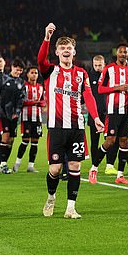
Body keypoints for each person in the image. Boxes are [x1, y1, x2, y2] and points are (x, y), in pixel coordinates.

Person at [38, 23, 104, 219]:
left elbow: (89, 97)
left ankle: (70, 208)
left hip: (77, 127)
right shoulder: (50, 71)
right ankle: (51, 197)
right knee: (55, 169)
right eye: (63, 48)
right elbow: (41, 59)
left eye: (69, 48)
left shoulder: (81, 74)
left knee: (75, 167)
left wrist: (96, 118)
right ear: (57, 52)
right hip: (57, 128)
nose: (66, 50)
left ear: (74, 52)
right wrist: (47, 37)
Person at [88, 43, 128, 185]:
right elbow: (100, 89)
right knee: (110, 141)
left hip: (127, 111)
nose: (123, 54)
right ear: (116, 54)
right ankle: (94, 169)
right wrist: (117, 88)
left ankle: (120, 175)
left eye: (125, 52)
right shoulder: (108, 69)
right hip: (112, 111)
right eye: (121, 52)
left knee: (124, 141)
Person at [13, 65, 45, 173]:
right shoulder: (23, 86)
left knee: (35, 142)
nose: (34, 75)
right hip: (26, 117)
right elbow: (20, 101)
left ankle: (31, 166)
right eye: (32, 72)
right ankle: (17, 164)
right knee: (25, 141)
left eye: (36, 73)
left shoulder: (41, 87)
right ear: (27, 74)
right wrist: (33, 102)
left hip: (37, 118)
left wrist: (41, 103)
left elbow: (43, 101)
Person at [0, 59, 25, 174]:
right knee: (5, 137)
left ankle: (4, 163)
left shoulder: (21, 82)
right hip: (3, 114)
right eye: (17, 70)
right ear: (12, 67)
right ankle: (2, 163)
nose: (18, 72)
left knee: (12, 140)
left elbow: (21, 99)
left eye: (20, 71)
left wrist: (17, 112)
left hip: (14, 115)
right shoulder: (4, 79)